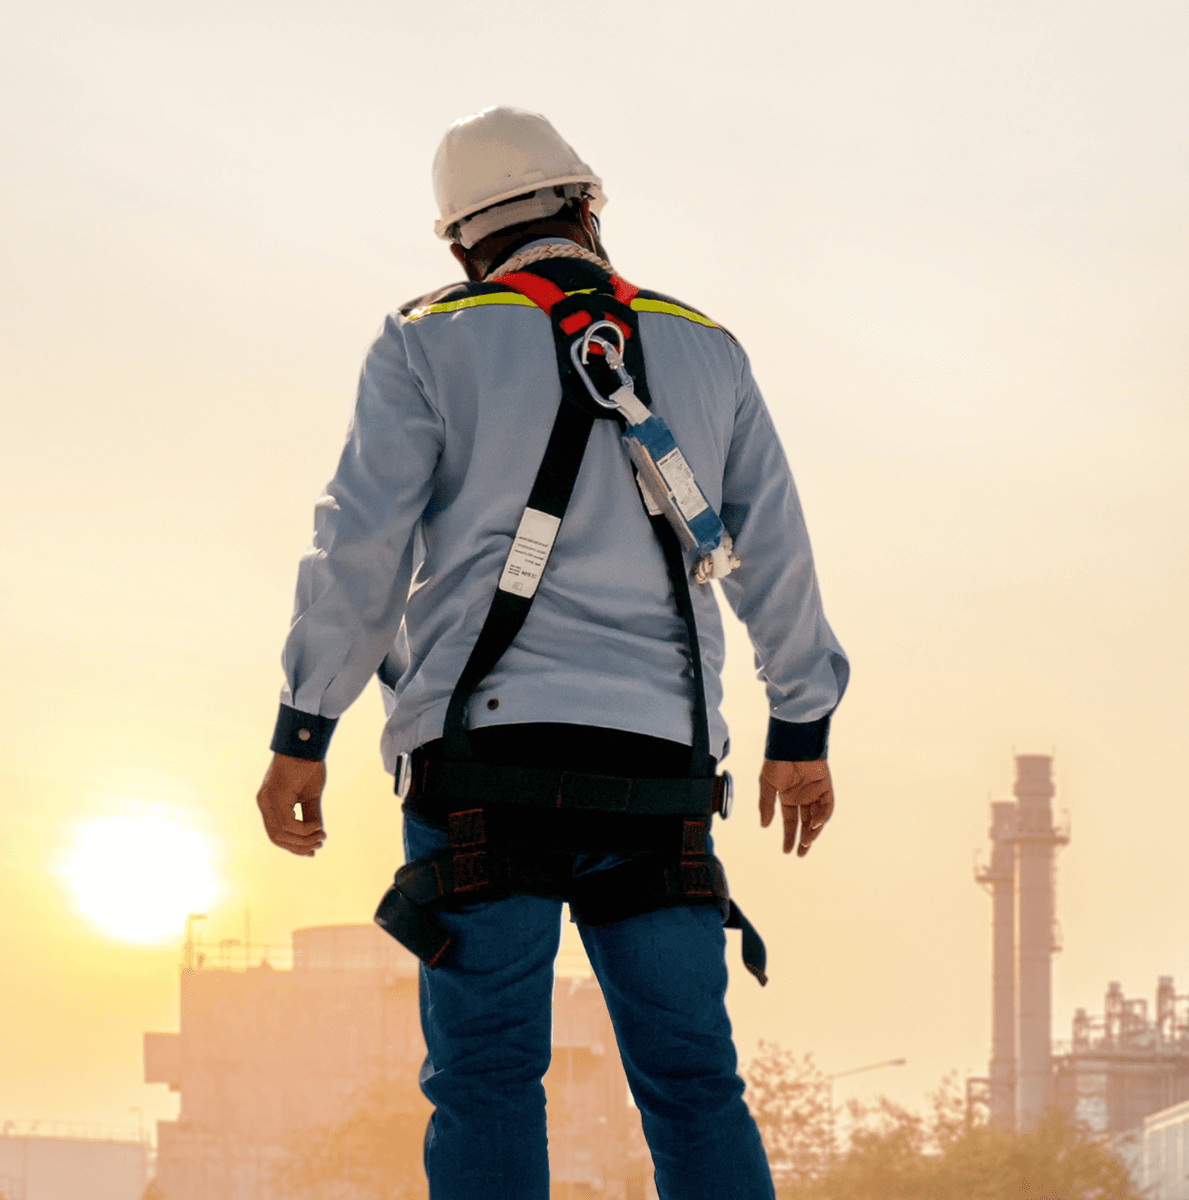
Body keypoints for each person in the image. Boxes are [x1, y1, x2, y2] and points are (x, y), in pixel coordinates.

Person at [250, 105, 849, 1200]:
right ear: (586, 208)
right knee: (692, 1085)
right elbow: (775, 547)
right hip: (657, 770)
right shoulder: (707, 348)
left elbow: (362, 548)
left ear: (461, 241)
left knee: (484, 1078)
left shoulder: (427, 338)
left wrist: (305, 727)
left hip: (484, 765)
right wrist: (800, 729)